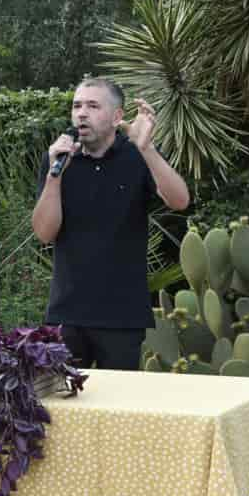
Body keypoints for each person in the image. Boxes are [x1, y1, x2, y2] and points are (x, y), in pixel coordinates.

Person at [31, 77, 191, 370]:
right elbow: (44, 233)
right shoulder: (58, 160)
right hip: (67, 313)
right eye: (77, 105)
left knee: (117, 407)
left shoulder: (137, 156)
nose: (81, 113)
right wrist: (56, 175)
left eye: (93, 106)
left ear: (117, 117)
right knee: (63, 407)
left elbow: (179, 200)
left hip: (122, 316)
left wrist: (147, 149)